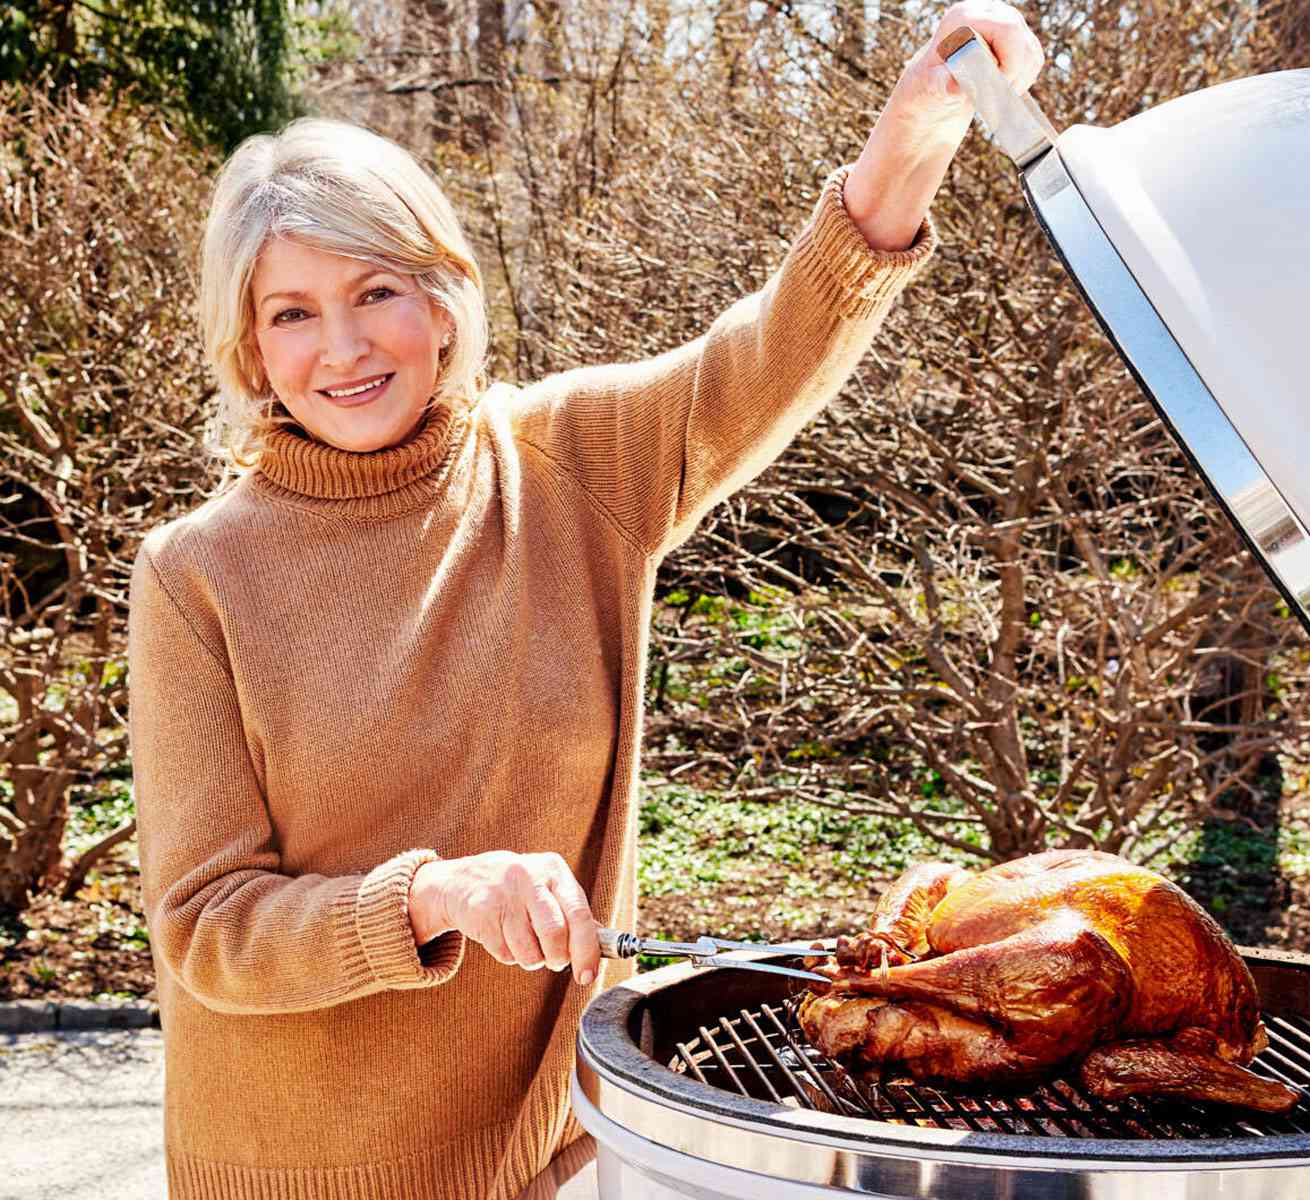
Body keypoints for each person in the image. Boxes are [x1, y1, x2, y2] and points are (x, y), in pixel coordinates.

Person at [126, 3, 1044, 1197]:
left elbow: (771, 346)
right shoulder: (196, 572)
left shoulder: (573, 468)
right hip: (298, 1172)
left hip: (553, 1156)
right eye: (291, 312)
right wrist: (436, 892)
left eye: (378, 291)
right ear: (251, 348)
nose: (342, 346)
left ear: (445, 296)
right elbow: (207, 925)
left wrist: (916, 128)